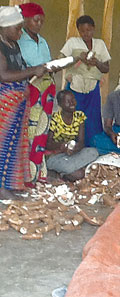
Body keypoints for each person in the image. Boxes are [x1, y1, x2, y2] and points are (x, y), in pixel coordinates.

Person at [0, 6, 47, 199]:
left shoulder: (13, 44)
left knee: (15, 145)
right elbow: (3, 75)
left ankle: (10, 184)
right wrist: (32, 71)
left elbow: (18, 68)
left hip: (18, 102)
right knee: (3, 146)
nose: (20, 32)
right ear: (4, 28)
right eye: (17, 29)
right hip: (5, 104)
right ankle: (2, 187)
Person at [18, 2, 56, 185]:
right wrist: (35, 70)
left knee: (42, 131)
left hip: (46, 90)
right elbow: (17, 69)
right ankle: (26, 176)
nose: (39, 23)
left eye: (42, 20)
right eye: (36, 20)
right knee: (28, 131)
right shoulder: (18, 41)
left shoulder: (43, 41)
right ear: (25, 20)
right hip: (29, 91)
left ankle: (38, 174)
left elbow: (46, 65)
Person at [60, 15, 111, 146]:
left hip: (92, 89)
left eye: (88, 30)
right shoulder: (72, 43)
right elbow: (60, 61)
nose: (85, 33)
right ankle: (70, 148)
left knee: (92, 121)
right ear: (78, 30)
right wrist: (77, 57)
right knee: (72, 119)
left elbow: (106, 68)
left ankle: (91, 148)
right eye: (82, 31)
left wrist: (97, 62)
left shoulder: (100, 44)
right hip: (74, 89)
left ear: (93, 29)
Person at [46, 90, 98, 182]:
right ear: (60, 104)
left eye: (73, 99)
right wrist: (63, 146)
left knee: (93, 152)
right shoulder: (55, 118)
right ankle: (66, 171)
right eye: (68, 101)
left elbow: (81, 142)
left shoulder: (79, 116)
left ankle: (64, 172)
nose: (72, 103)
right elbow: (48, 144)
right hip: (57, 154)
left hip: (73, 154)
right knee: (80, 174)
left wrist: (75, 148)